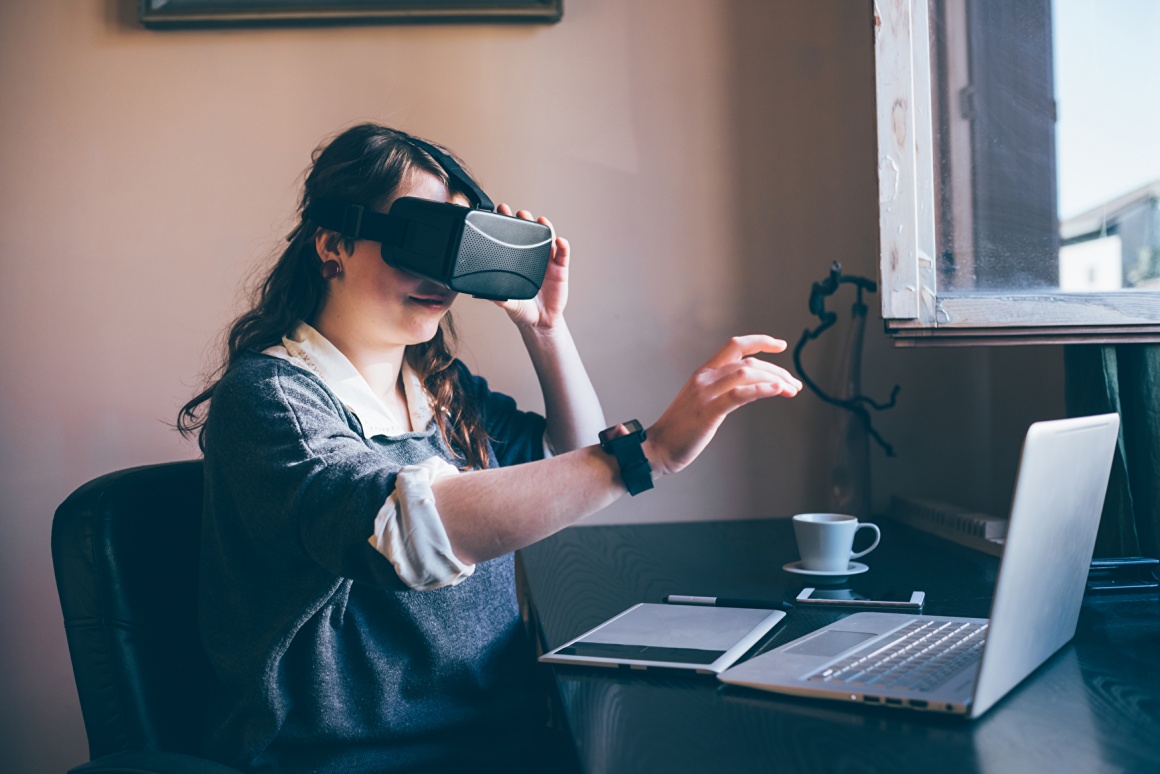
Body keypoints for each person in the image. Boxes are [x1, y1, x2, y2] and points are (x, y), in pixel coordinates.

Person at [178, 123, 802, 773]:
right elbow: (401, 529)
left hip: (500, 738)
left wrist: (546, 327)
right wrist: (650, 453)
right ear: (333, 245)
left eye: (457, 248)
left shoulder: (440, 388)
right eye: (421, 241)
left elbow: (569, 461)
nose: (441, 276)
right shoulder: (272, 398)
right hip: (349, 757)